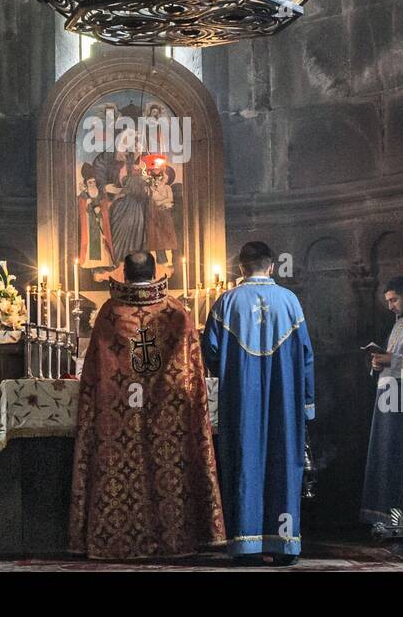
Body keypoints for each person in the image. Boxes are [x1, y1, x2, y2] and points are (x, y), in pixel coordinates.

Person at [68, 251, 224, 559]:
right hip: (170, 418)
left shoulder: (110, 313)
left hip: (118, 414)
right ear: (155, 272)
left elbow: (92, 377)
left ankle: (117, 540)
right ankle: (177, 539)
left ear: (124, 274)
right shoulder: (176, 312)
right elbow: (193, 374)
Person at [202, 241, 315, 566]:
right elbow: (306, 355)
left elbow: (210, 349)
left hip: (242, 399)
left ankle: (246, 546)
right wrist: (307, 405)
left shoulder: (227, 301)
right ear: (273, 266)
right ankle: (284, 546)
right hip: (284, 401)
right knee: (282, 465)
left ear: (240, 268)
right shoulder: (291, 302)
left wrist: (228, 367)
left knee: (244, 463)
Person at [360, 276, 403, 523]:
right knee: (384, 453)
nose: (390, 306)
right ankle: (386, 518)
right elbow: (392, 354)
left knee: (399, 453)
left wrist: (392, 361)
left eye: (394, 300)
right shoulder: (399, 321)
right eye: (388, 301)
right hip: (387, 393)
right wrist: (378, 362)